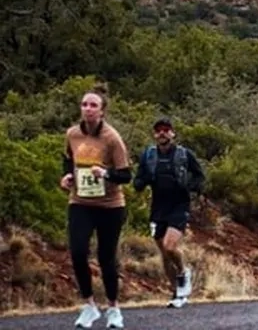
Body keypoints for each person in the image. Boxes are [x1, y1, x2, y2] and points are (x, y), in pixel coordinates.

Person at [60, 86, 131, 330]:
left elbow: (126, 175)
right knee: (78, 252)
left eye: (93, 105)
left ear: (102, 111)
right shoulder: (72, 134)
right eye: (84, 105)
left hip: (110, 205)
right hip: (80, 202)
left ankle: (113, 308)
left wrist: (106, 173)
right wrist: (67, 175)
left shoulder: (112, 138)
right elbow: (68, 159)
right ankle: (89, 305)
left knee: (105, 257)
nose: (88, 109)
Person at [133, 117, 206, 308]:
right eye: (158, 130)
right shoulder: (148, 155)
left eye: (166, 130)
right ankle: (176, 293)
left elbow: (199, 176)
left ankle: (183, 272)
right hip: (158, 207)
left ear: (172, 133)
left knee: (170, 246)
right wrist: (141, 183)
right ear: (154, 134)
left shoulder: (184, 154)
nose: (162, 133)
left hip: (179, 205)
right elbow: (139, 178)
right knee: (164, 253)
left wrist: (190, 187)